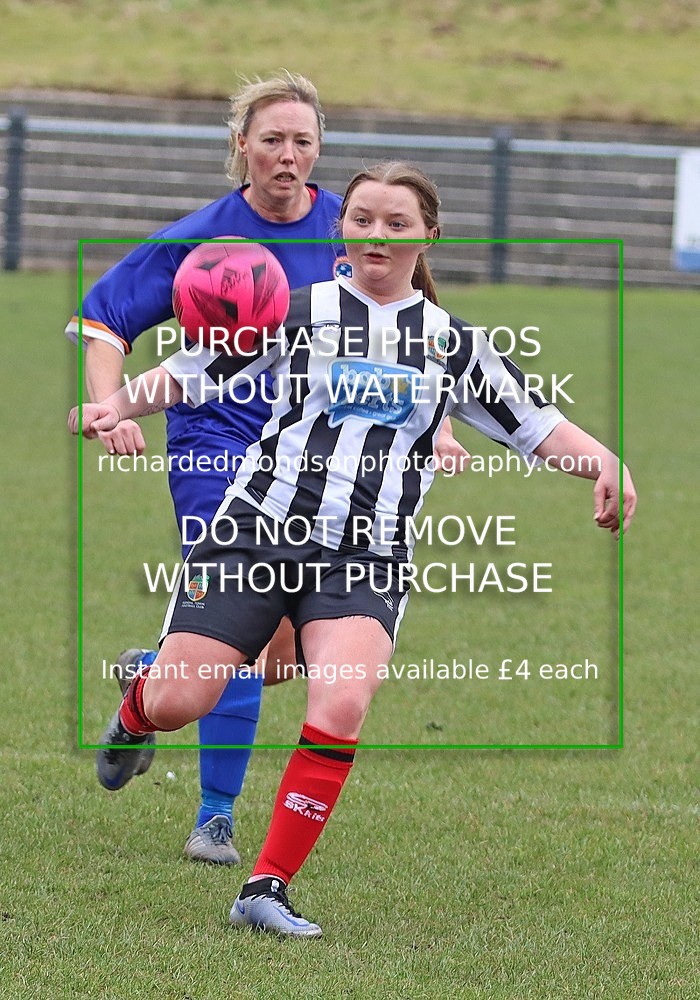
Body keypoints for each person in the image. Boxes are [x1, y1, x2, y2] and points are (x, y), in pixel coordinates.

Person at [70, 161, 637, 938]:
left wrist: (604, 460)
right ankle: (138, 707)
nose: (376, 233)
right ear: (344, 227)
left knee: (339, 701)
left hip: (366, 558)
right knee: (181, 700)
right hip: (255, 536)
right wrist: (109, 408)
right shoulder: (294, 313)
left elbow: (535, 427)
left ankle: (265, 887)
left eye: (396, 222)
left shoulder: (455, 346)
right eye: (363, 217)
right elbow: (185, 374)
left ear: (428, 234)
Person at [67, 71, 469, 865]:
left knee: (280, 650)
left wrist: (443, 423)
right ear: (240, 146)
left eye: (304, 142)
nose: (288, 156)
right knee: (247, 636)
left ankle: (153, 681)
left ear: (320, 150)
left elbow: (411, 330)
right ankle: (216, 816)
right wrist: (111, 405)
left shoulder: (351, 227)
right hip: (215, 447)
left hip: (319, 453)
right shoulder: (200, 237)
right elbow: (103, 316)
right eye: (272, 139)